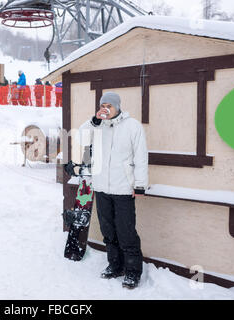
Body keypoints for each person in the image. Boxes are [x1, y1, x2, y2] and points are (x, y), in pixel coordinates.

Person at [78, 92, 148, 289]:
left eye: (109, 105)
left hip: (124, 189)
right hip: (101, 188)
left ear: (117, 106)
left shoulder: (132, 126)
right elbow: (80, 138)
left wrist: (140, 184)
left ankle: (133, 271)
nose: (105, 108)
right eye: (103, 105)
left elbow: (141, 156)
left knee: (126, 232)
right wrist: (93, 121)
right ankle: (115, 265)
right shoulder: (97, 126)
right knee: (107, 230)